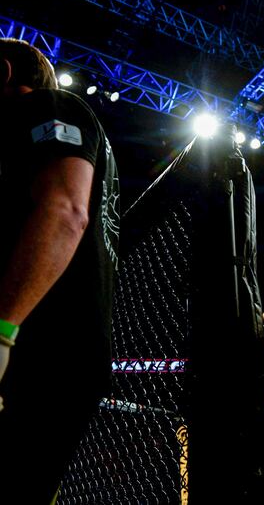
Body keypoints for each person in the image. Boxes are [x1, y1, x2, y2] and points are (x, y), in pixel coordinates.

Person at [0, 38, 120, 504]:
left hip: (43, 350)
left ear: (4, 73)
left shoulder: (52, 106)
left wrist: (3, 331)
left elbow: (65, 212)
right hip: (49, 351)